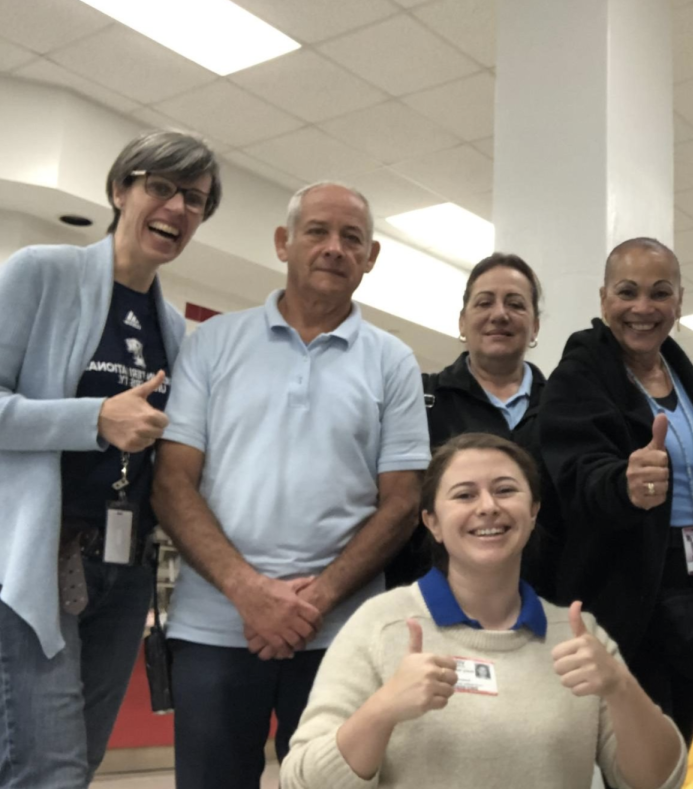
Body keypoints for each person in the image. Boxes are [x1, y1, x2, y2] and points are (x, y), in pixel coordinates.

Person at [152, 181, 430, 789]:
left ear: (371, 257)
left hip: (345, 637)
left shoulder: (393, 361)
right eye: (318, 232)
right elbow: (172, 483)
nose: (334, 248)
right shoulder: (213, 344)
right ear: (284, 243)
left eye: (351, 238)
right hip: (215, 630)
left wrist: (313, 604)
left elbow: (403, 503)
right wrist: (249, 593)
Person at [280, 433, 687, 789]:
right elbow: (300, 780)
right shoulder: (380, 624)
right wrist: (383, 710)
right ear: (432, 522)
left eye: (506, 490)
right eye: (464, 495)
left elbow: (659, 780)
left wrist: (620, 688)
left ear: (533, 512)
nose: (488, 506)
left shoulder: (580, 635)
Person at [0, 130, 221, 787]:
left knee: (78, 759)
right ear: (120, 190)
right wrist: (93, 418)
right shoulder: (42, 272)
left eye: (195, 199)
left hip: (125, 568)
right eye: (160, 186)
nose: (177, 208)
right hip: (41, 554)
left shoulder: (178, 332)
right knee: (51, 768)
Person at [539, 237, 693, 744]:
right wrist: (621, 483)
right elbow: (575, 474)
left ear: (679, 302)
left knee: (673, 751)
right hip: (621, 600)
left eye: (660, 293)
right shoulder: (578, 377)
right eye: (628, 292)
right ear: (604, 299)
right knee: (618, 758)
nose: (643, 308)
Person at [385, 253, 561, 596]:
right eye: (484, 303)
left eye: (515, 304)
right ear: (462, 322)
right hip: (435, 607)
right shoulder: (419, 399)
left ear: (535, 326)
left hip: (543, 606)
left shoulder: (565, 407)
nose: (500, 314)